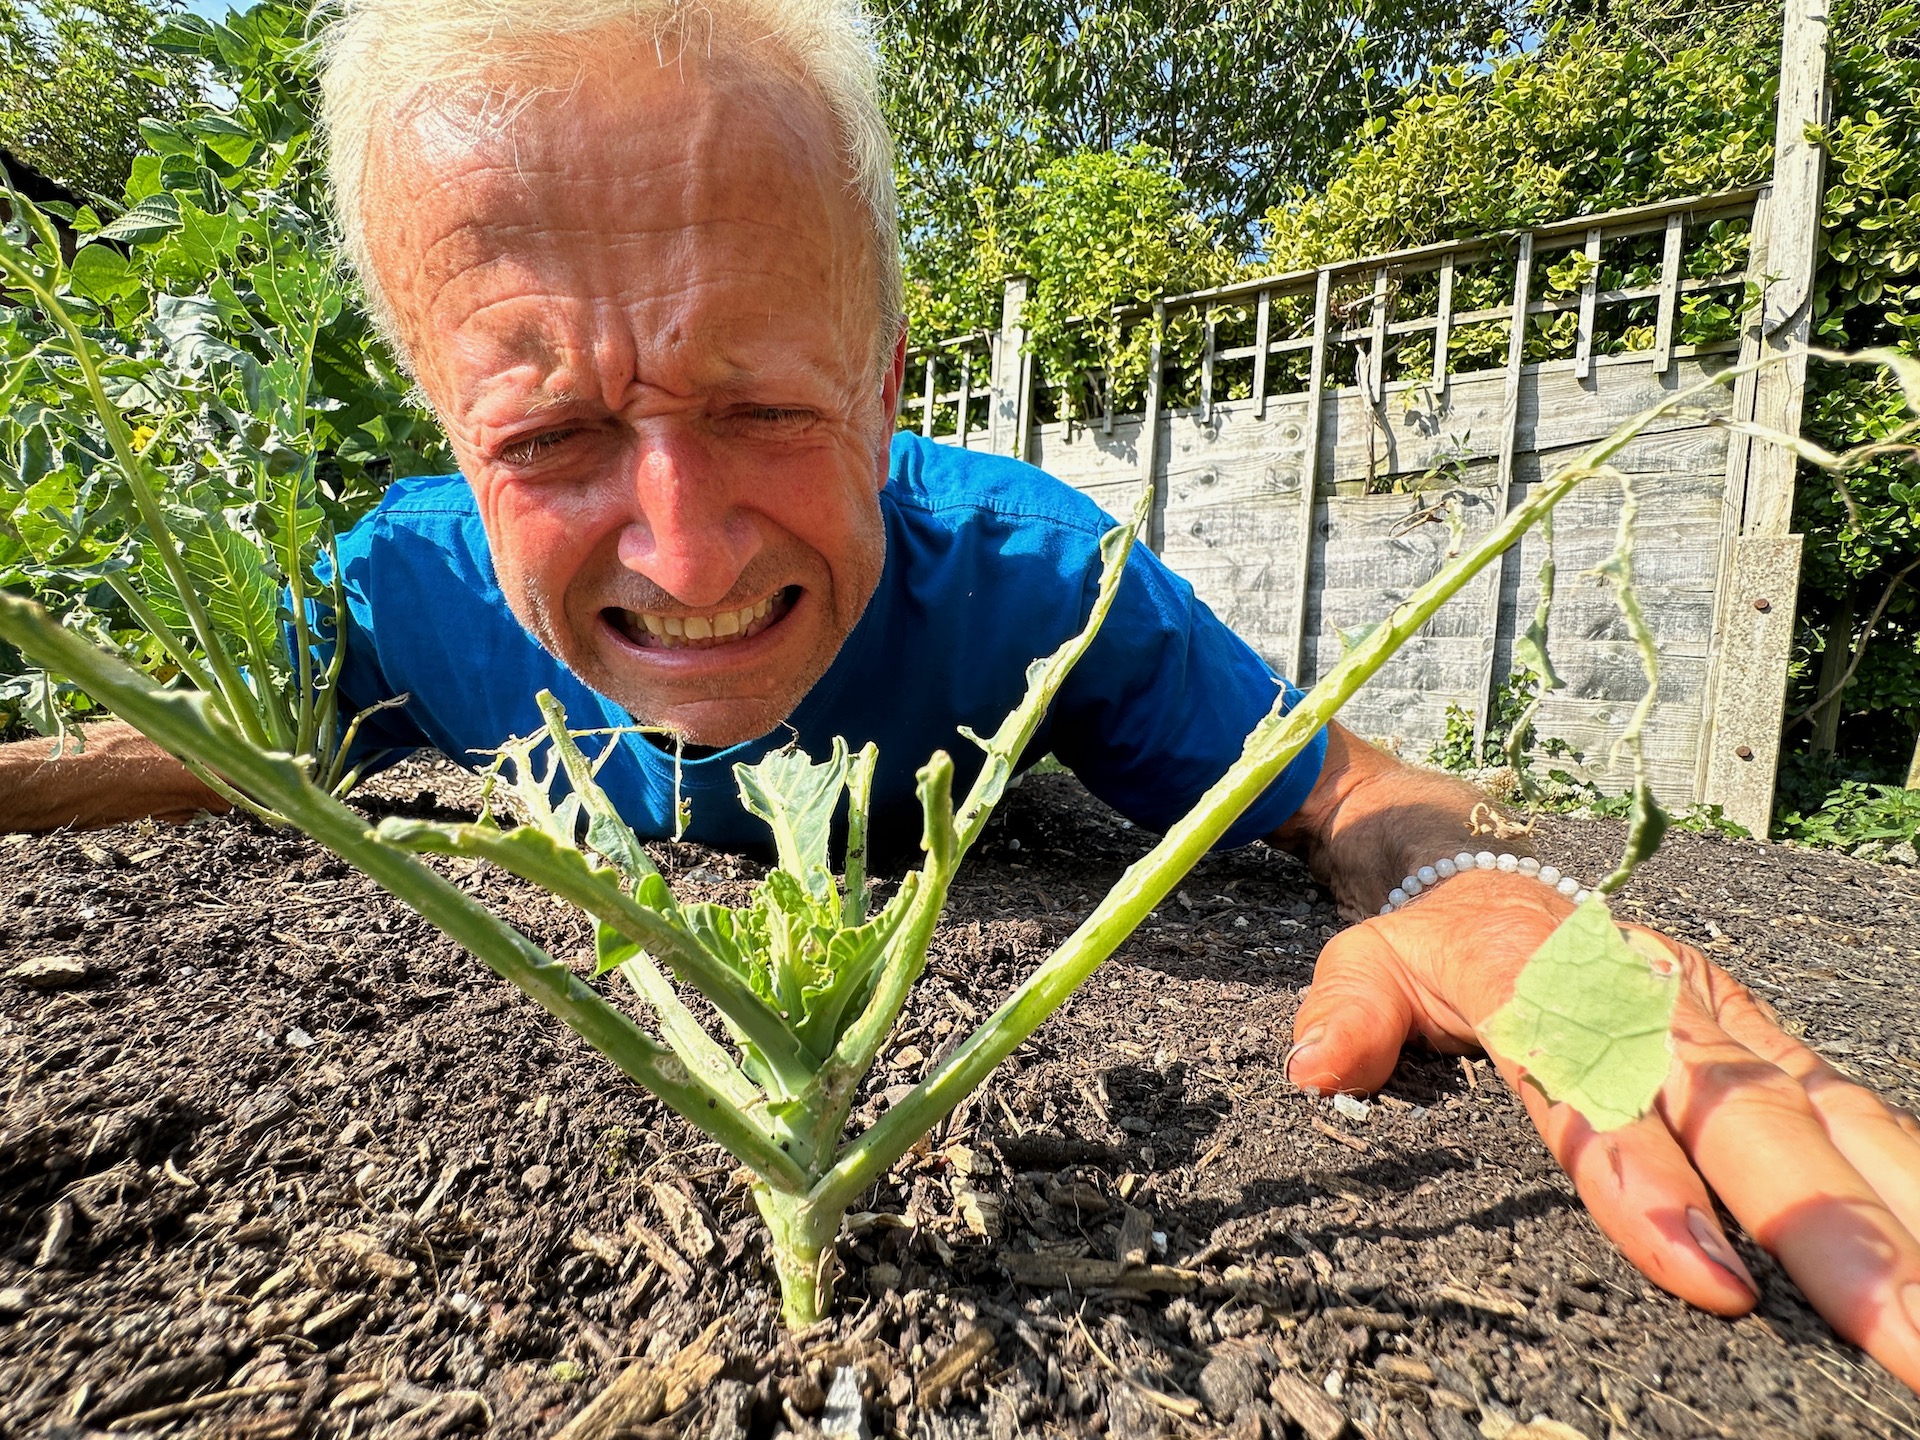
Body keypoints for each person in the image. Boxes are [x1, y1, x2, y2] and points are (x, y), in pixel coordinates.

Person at [3, 0, 1917, 1388]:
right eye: (552, 437)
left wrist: (1499, 911)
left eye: (764, 407)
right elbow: (189, 748)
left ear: (887, 384)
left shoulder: (1032, 587)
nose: (684, 553)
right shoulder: (399, 586)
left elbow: (1350, 788)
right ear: (445, 426)